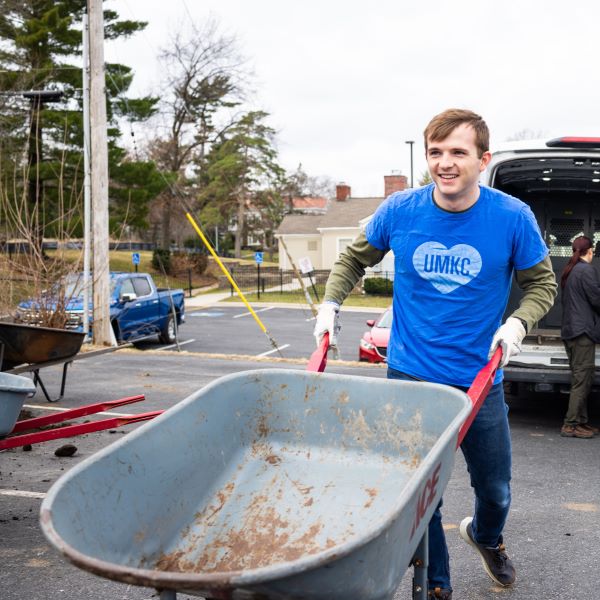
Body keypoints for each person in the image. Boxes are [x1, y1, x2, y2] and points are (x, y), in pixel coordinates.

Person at [313, 108, 557, 599]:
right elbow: (353, 258)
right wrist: (330, 304)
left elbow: (542, 283)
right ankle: (436, 588)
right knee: (425, 497)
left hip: (479, 380)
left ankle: (486, 536)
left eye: (458, 152)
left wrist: (516, 323)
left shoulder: (512, 217)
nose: (445, 163)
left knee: (496, 490)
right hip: (410, 376)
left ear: (482, 160)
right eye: (436, 152)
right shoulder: (400, 210)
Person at [559, 235, 600, 438]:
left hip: (570, 330)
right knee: (582, 380)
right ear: (590, 251)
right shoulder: (586, 270)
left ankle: (581, 422)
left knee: (580, 377)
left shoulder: (570, 270)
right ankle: (570, 425)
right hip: (582, 332)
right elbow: (596, 299)